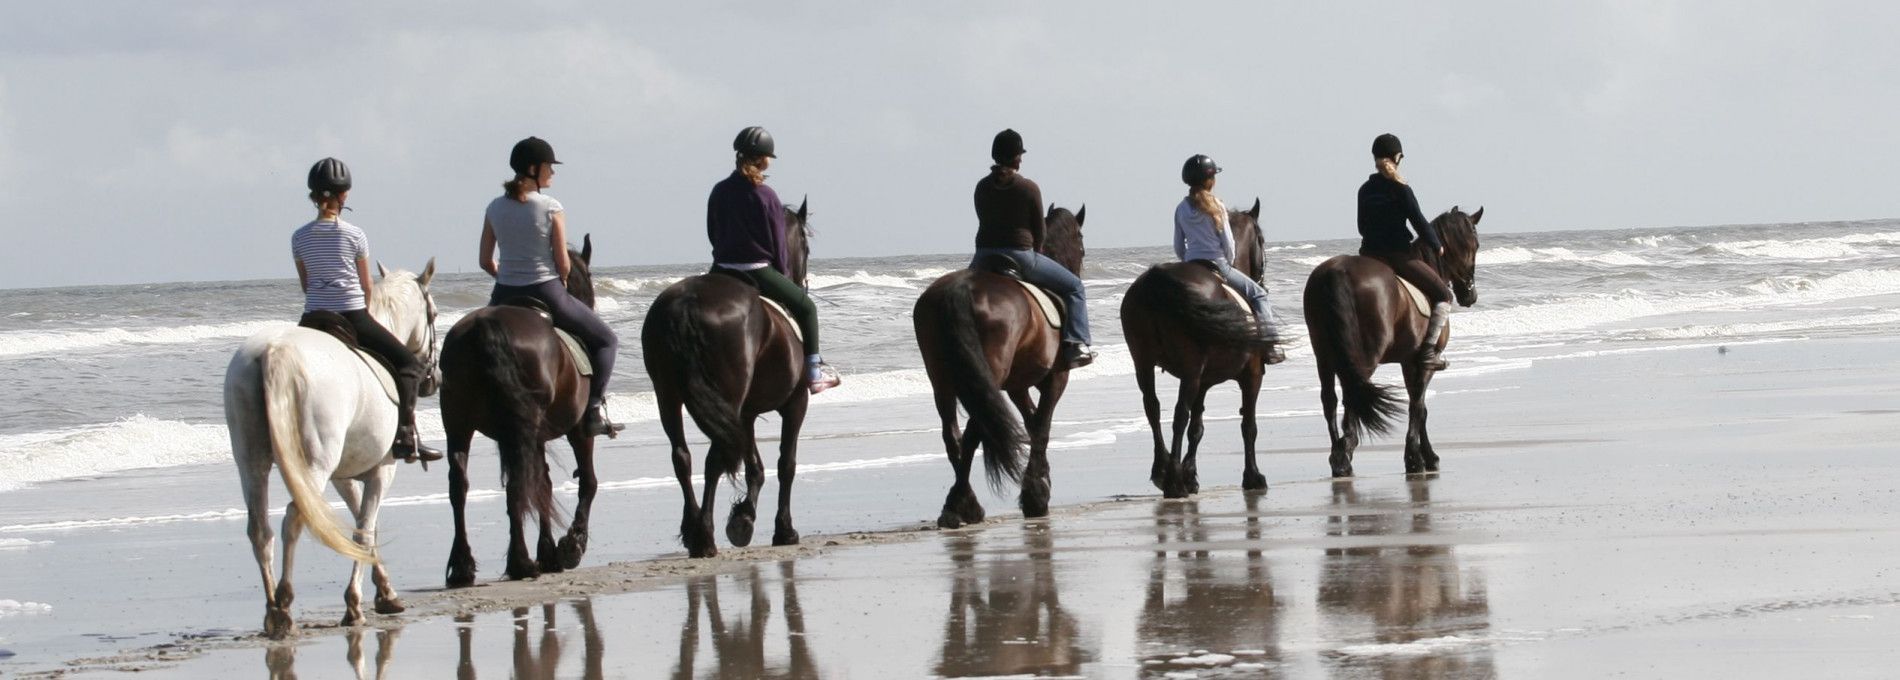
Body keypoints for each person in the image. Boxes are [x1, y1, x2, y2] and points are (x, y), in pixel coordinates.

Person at [291, 157, 441, 462]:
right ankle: (405, 437)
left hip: (312, 318)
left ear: (313, 195)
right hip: (351, 315)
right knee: (409, 364)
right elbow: (367, 286)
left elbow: (307, 285)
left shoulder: (299, 237)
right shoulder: (355, 235)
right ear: (344, 195)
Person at [479, 136, 622, 436]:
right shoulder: (550, 207)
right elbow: (563, 262)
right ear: (533, 169)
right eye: (549, 167)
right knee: (607, 340)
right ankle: (593, 410)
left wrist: (505, 277)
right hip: (546, 290)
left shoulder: (494, 207)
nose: (552, 174)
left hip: (503, 293)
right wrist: (564, 281)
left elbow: (485, 260)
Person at [706, 126, 842, 394]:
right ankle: (814, 373)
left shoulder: (719, 190)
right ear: (764, 159)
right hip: (756, 271)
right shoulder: (766, 196)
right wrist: (782, 273)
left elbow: (712, 232)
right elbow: (779, 244)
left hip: (720, 270)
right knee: (807, 308)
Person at [972, 128, 1094, 369]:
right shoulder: (1028, 188)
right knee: (1075, 287)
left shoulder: (982, 187)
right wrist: (1037, 250)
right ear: (1016, 157)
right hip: (1020, 256)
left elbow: (982, 218)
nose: (1021, 158)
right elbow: (1040, 231)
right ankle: (1076, 344)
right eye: (1020, 154)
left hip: (983, 257)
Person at [1173, 154, 1286, 364]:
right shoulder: (1217, 205)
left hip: (1191, 264)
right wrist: (1229, 264)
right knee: (1259, 294)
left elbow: (1179, 246)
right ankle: (1271, 346)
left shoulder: (1181, 208)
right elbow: (1229, 244)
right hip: (1218, 265)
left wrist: (1188, 261)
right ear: (1210, 180)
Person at [1358, 132, 1453, 370]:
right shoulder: (1401, 189)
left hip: (1368, 255)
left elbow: (1361, 226)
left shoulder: (1364, 190)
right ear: (1397, 157)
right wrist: (1436, 245)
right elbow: (1418, 221)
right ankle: (1429, 352)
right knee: (1444, 296)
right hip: (1397, 256)